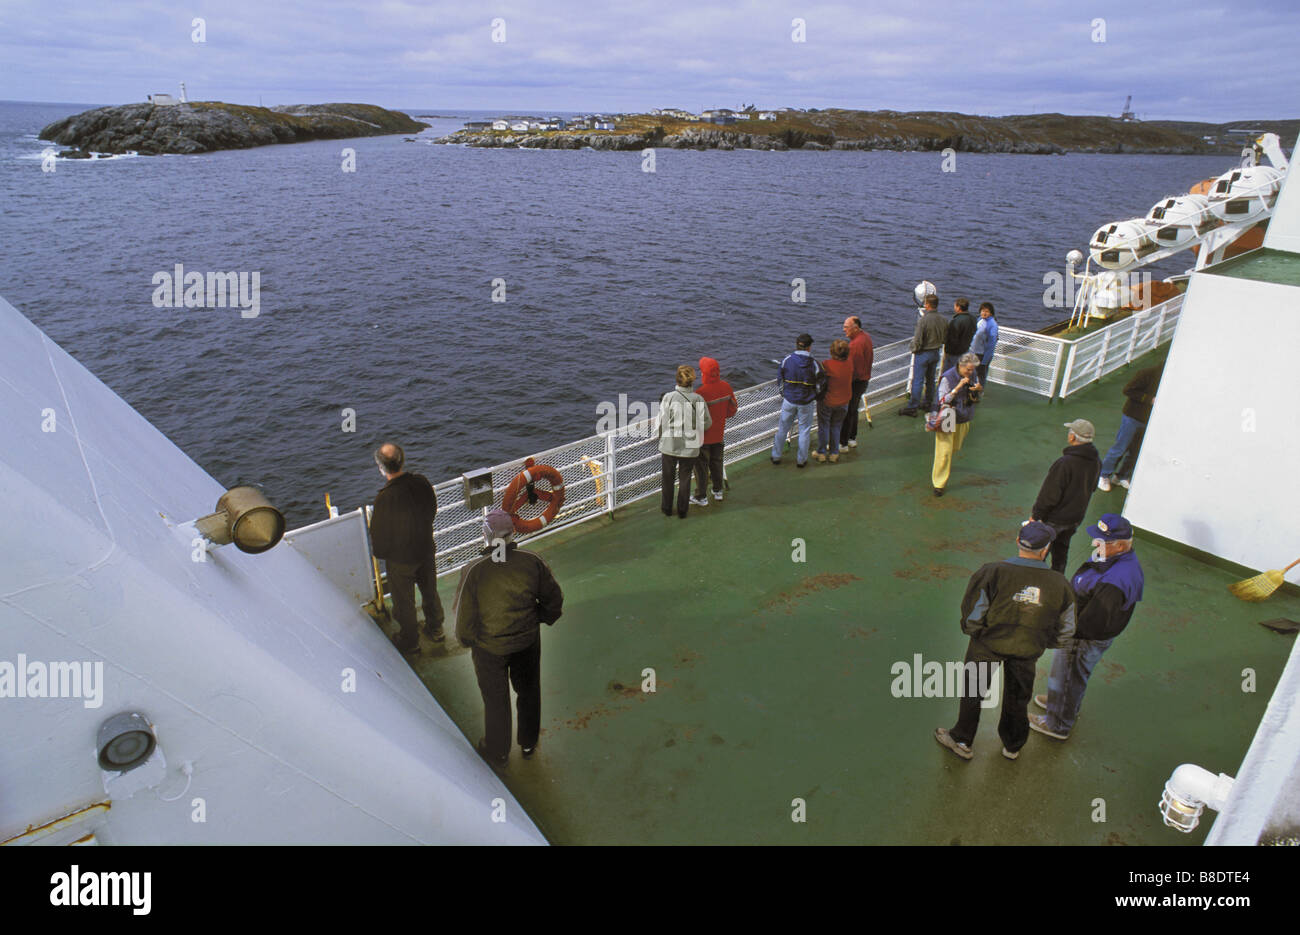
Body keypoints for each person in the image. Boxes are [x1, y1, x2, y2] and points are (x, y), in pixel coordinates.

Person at [934, 521, 1076, 761]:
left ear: (1018, 542)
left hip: (987, 645)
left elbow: (973, 613)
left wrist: (978, 633)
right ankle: (1013, 745)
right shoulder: (1060, 584)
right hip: (1027, 648)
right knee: (1018, 697)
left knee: (973, 691)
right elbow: (1067, 628)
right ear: (1046, 550)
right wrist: (1043, 642)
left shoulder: (992, 572)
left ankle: (962, 740)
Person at [454, 508, 564, 768]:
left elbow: (463, 621)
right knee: (529, 692)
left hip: (489, 649)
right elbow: (554, 601)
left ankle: (498, 751)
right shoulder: (531, 561)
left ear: (486, 536)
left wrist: (469, 641)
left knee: (496, 700)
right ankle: (528, 743)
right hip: (526, 642)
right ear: (513, 533)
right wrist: (538, 619)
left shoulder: (473, 571)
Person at [1030, 513, 1144, 741]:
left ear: (1120, 545)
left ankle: (1057, 724)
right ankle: (1061, 703)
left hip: (1082, 638)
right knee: (1070, 676)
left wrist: (1062, 632)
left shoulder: (1116, 580)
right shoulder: (1114, 558)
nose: (1095, 543)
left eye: (1102, 540)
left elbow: (1093, 621)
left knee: (1068, 675)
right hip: (1084, 629)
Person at [370, 442, 443, 653]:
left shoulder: (384, 498)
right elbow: (432, 508)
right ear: (402, 461)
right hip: (425, 549)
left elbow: (379, 535)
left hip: (401, 559)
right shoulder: (421, 482)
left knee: (404, 603)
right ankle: (436, 629)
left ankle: (410, 642)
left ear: (381, 468)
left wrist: (384, 554)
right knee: (430, 591)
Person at [1031, 419, 1102, 572]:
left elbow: (1049, 496)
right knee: (1061, 552)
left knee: (1038, 553)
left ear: (1072, 437)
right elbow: (1093, 487)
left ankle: (1034, 578)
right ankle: (1058, 577)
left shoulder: (1064, 463)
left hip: (1054, 520)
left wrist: (1035, 516)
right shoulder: (1096, 461)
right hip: (1075, 519)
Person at [1098, 363, 1164, 491]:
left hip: (1148, 420)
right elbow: (1128, 390)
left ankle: (1121, 476)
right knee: (1120, 448)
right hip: (1132, 417)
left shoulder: (1168, 377)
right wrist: (1150, 399)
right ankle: (1103, 475)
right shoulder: (1147, 373)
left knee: (1136, 451)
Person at [657, 364, 711, 518]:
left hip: (669, 444)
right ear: (692, 381)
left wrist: (661, 438)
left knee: (668, 478)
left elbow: (661, 423)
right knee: (685, 478)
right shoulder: (698, 399)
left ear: (677, 379)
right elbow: (707, 423)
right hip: (690, 445)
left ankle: (667, 509)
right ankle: (682, 511)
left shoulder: (668, 397)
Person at [930, 352, 983, 496]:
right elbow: (942, 400)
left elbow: (978, 390)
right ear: (961, 365)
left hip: (964, 416)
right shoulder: (947, 378)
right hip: (948, 416)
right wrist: (957, 388)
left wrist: (979, 389)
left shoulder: (972, 374)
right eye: (968, 370)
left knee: (955, 447)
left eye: (972, 370)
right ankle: (939, 484)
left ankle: (943, 467)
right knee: (944, 453)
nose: (971, 372)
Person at [691, 356, 738, 505]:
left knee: (701, 468)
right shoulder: (726, 387)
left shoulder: (700, 393)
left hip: (703, 438)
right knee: (717, 463)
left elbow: (694, 419)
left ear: (704, 373)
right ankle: (718, 491)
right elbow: (733, 409)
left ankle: (701, 496)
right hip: (718, 434)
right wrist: (720, 417)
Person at [770, 333, 820, 468]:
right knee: (804, 431)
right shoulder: (814, 364)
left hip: (789, 400)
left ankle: (776, 456)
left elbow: (780, 380)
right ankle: (801, 460)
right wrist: (814, 396)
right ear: (809, 347)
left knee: (782, 429)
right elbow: (820, 385)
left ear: (796, 345)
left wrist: (785, 394)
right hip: (806, 402)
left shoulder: (787, 360)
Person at [900, 295, 947, 417]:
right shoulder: (943, 319)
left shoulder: (923, 320)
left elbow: (918, 340)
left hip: (923, 354)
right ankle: (927, 403)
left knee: (917, 381)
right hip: (935, 353)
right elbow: (945, 338)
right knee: (930, 380)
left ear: (927, 305)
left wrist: (914, 349)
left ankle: (912, 407)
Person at [839, 316, 875, 449]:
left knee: (847, 412)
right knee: (853, 410)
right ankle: (851, 438)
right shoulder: (866, 336)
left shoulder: (855, 345)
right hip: (863, 381)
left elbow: (854, 370)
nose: (844, 330)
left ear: (855, 328)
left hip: (855, 382)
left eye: (846, 327)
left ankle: (842, 443)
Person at [816, 339, 854, 463]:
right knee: (836, 426)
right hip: (844, 402)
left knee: (824, 426)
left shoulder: (827, 364)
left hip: (828, 401)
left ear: (832, 352)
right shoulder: (850, 364)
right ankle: (834, 453)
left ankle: (821, 453)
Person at [942, 297, 977, 375]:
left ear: (958, 307)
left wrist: (947, 351)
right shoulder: (973, 319)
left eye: (955, 306)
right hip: (965, 350)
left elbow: (952, 338)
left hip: (954, 353)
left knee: (949, 374)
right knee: (960, 373)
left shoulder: (956, 321)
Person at [969, 302, 999, 386]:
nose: (984, 313)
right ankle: (970, 389)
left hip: (982, 355)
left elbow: (991, 344)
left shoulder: (992, 325)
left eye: (987, 311)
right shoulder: (980, 320)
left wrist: (984, 361)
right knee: (971, 373)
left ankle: (979, 391)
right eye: (982, 311)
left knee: (980, 376)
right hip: (974, 352)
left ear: (991, 313)